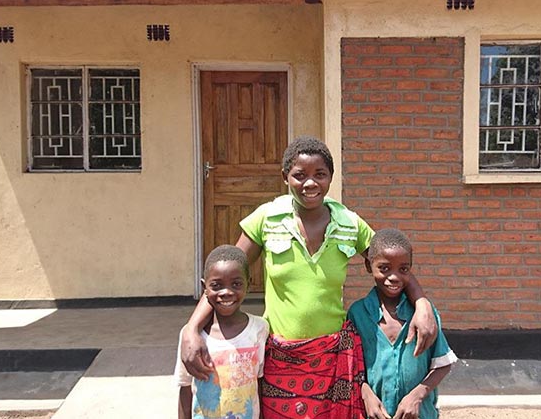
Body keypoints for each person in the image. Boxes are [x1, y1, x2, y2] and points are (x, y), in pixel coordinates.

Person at [181, 136, 438, 418]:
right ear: (285, 177)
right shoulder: (267, 219)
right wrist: (193, 328)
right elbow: (224, 276)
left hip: (333, 357)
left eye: (320, 175)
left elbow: (392, 262)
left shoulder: (349, 223)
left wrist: (422, 304)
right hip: (279, 356)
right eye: (300, 175)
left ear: (331, 177)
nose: (310, 183)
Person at [348, 228, 457, 419]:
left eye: (403, 269)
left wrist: (417, 396)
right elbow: (350, 367)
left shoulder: (425, 315)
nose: (394, 277)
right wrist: (365, 393)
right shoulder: (358, 314)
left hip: (420, 414)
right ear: (368, 265)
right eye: (384, 268)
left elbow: (443, 363)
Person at [174, 244, 269, 419]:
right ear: (205, 288)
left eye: (236, 284)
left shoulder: (260, 329)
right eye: (217, 285)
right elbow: (185, 388)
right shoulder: (192, 338)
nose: (226, 292)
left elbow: (260, 383)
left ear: (248, 284)